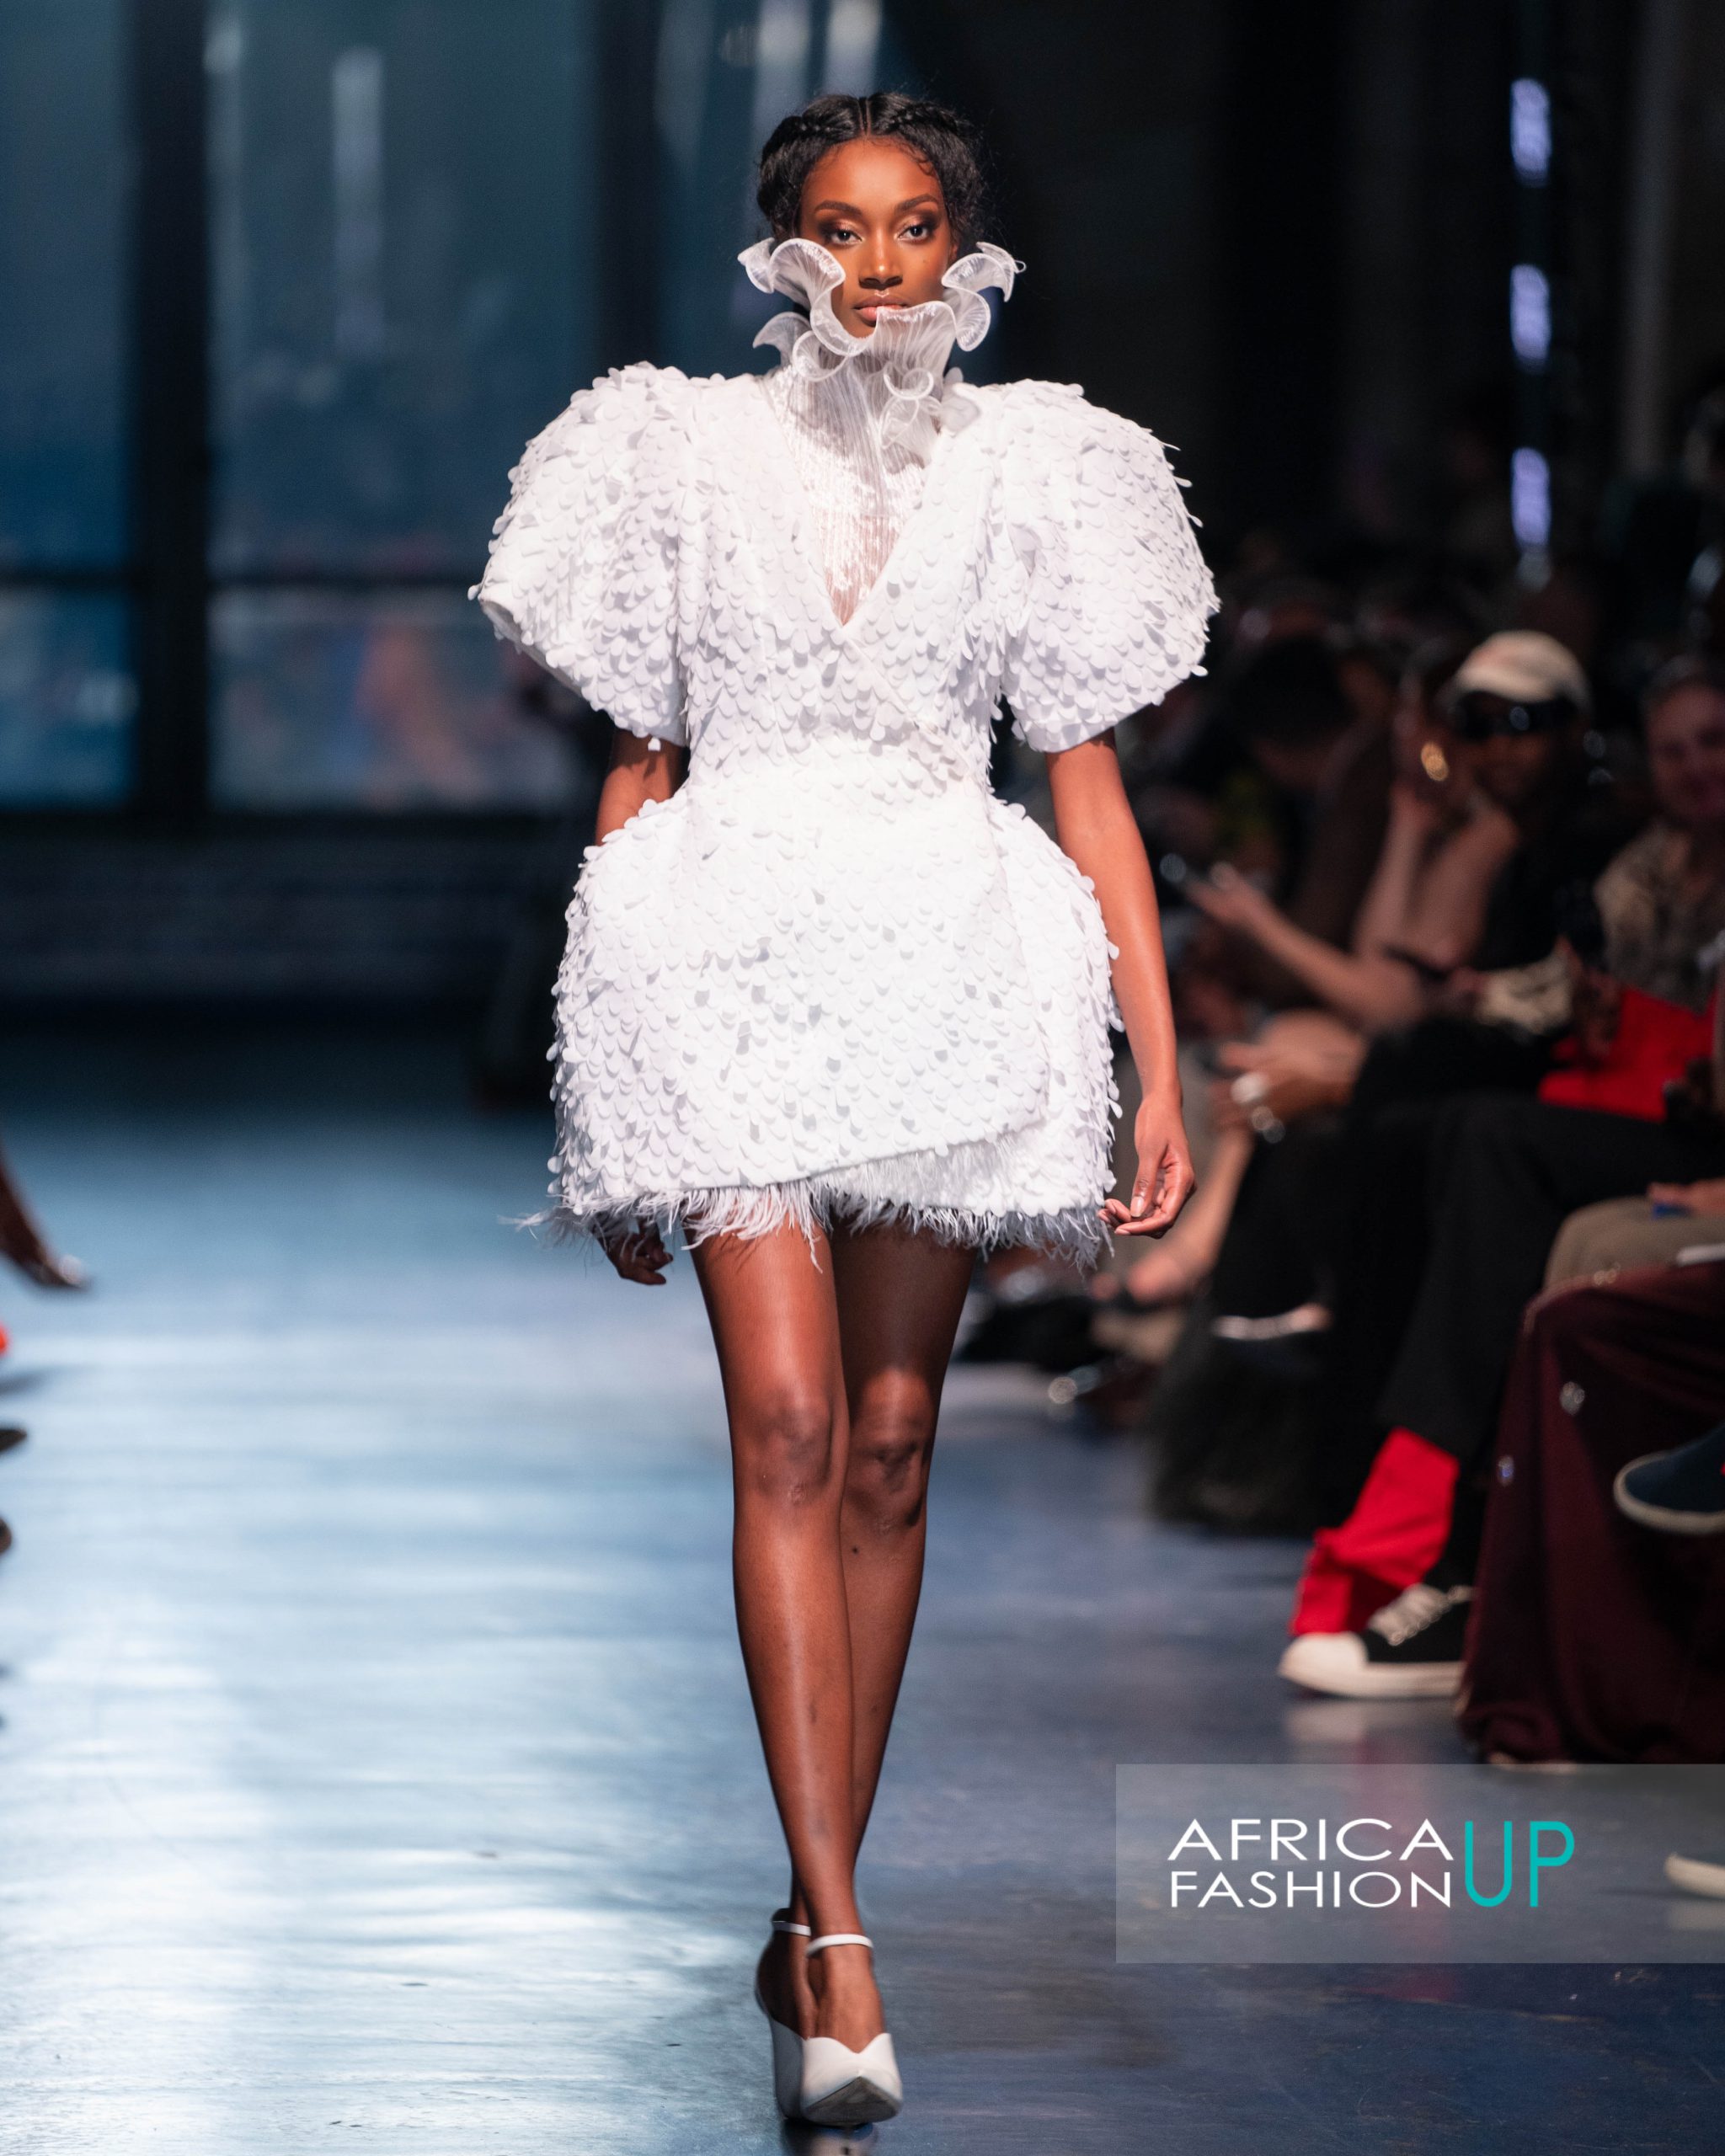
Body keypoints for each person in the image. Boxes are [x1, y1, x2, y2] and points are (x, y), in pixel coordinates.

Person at [471, 93, 1211, 2128]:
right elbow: (637, 776)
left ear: (962, 248)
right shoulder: (676, 456)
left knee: (890, 1446)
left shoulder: (1047, 469)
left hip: (951, 972)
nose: (875, 264)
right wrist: (605, 1094)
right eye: (837, 225)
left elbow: (1086, 790)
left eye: (910, 226)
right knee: (788, 1425)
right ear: (782, 248)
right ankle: (849, 1938)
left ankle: (814, 1912)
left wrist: (1159, 1060)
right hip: (717, 963)